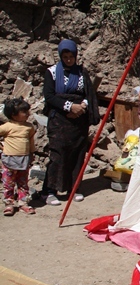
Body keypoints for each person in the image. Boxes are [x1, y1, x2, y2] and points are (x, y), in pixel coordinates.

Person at [41, 40, 100, 206]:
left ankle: (74, 188)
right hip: (59, 120)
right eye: (65, 57)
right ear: (60, 56)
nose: (68, 60)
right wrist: (69, 107)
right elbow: (50, 96)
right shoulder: (51, 72)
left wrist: (81, 107)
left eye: (71, 56)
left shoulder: (82, 73)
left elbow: (88, 94)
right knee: (58, 154)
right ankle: (50, 190)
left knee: (77, 155)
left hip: (78, 122)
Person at [1, 98, 36, 216]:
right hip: (9, 159)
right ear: (14, 115)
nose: (28, 114)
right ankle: (9, 204)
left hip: (24, 159)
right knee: (8, 183)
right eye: (24, 112)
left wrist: (32, 153)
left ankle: (23, 202)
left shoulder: (29, 127)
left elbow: (31, 141)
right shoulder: (7, 126)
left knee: (23, 182)